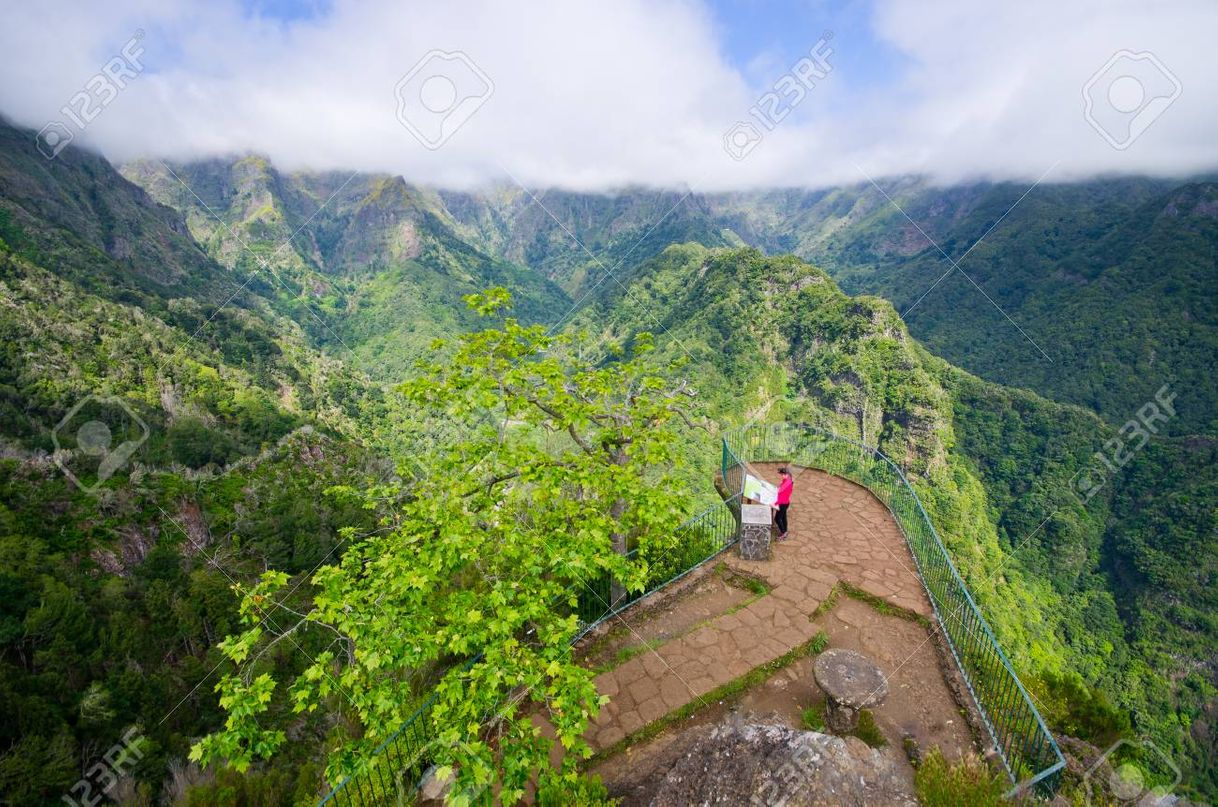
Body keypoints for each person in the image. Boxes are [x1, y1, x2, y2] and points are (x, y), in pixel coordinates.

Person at [774, 467, 793, 540]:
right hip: (786, 503)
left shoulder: (787, 483)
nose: (782, 476)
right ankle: (785, 530)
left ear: (787, 474)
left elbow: (782, 495)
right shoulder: (788, 480)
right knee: (783, 517)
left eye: (782, 474)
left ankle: (783, 533)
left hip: (783, 503)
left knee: (777, 518)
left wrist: (775, 503)